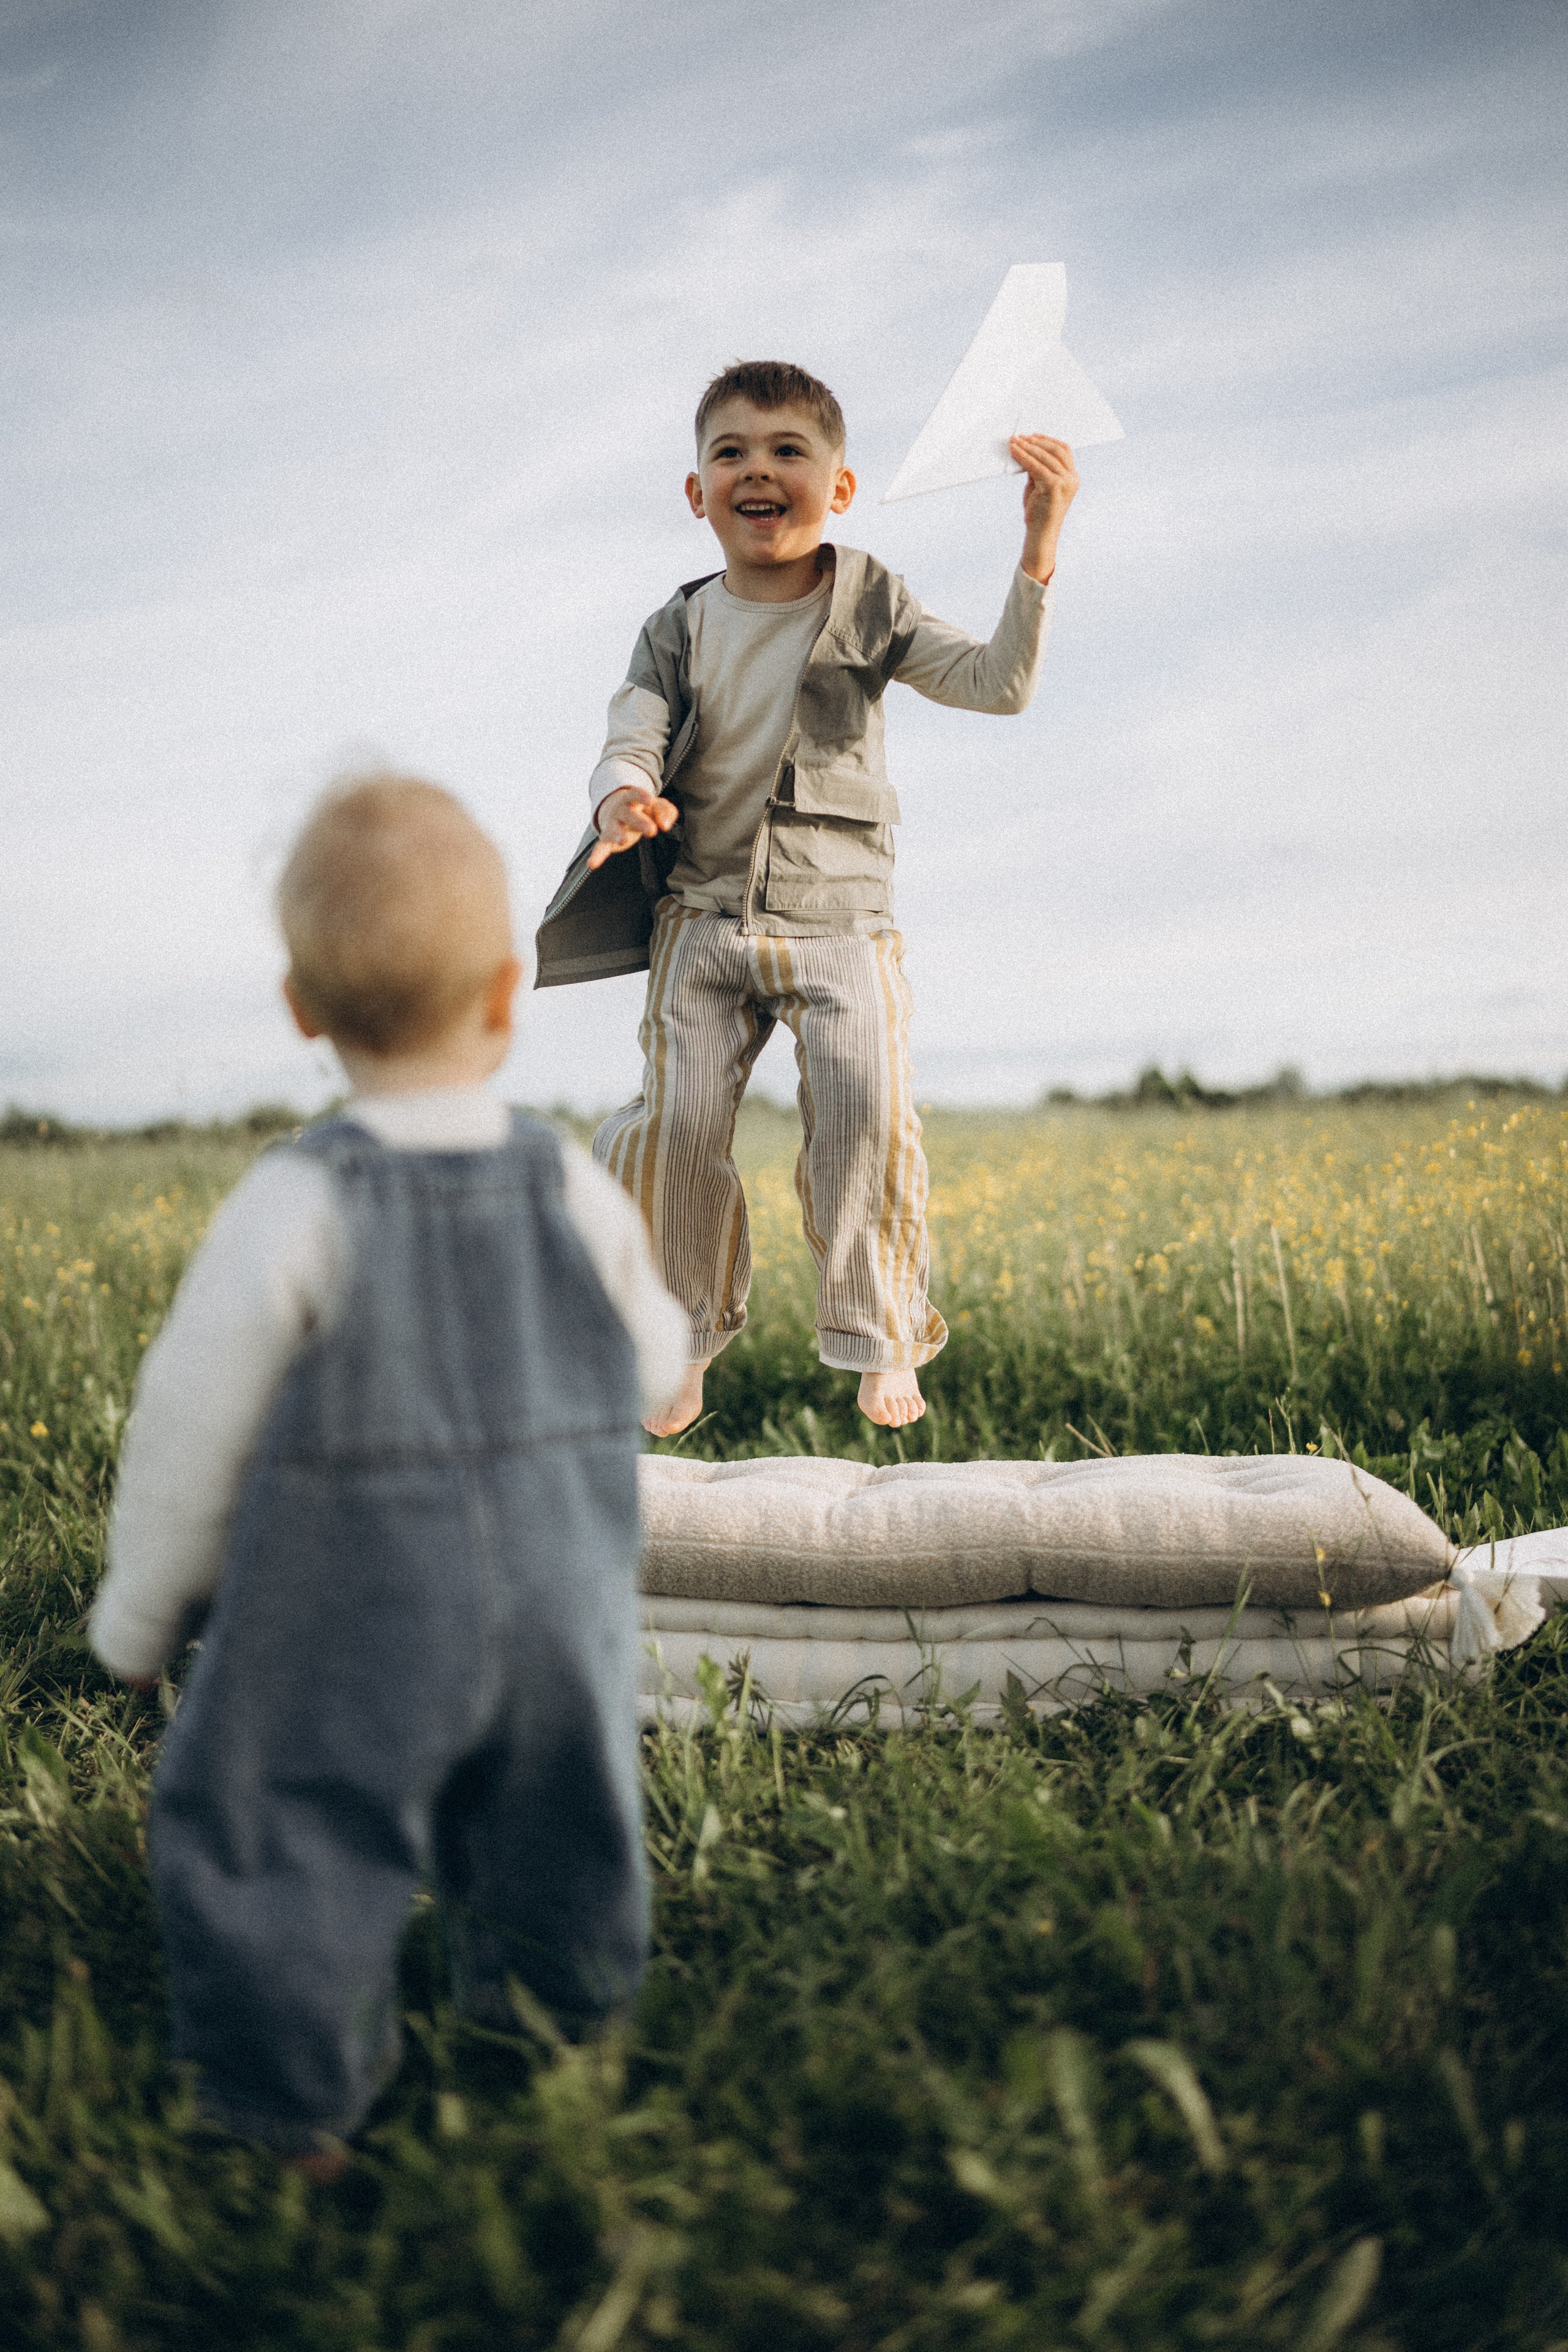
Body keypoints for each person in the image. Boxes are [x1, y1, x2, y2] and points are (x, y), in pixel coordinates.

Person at [89, 774, 687, 2177]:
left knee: (282, 1812)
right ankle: (562, 2030)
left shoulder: (298, 1199)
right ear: (503, 994)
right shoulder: (563, 1184)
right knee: (562, 1807)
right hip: (556, 1600)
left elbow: (190, 1427)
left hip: (360, 1608)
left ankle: (288, 2108)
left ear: (302, 1009)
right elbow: (658, 1359)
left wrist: (138, 1617)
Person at [532, 360, 1078, 1438]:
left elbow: (997, 685)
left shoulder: (871, 598)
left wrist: (1040, 544)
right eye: (730, 452)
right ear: (698, 494)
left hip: (842, 924)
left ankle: (880, 1336)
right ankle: (679, 1340)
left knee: (868, 1117)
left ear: (841, 487)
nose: (759, 471)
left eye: (789, 451)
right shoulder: (677, 627)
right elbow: (629, 736)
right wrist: (624, 802)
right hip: (702, 916)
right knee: (678, 1129)